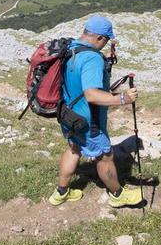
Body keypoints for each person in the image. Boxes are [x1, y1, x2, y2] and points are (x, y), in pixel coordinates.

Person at [47, 15, 144, 208]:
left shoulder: (71, 48)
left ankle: (61, 193)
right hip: (88, 120)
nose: (105, 44)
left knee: (74, 148)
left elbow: (79, 74)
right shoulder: (92, 58)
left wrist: (103, 60)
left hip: (68, 114)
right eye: (106, 40)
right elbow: (91, 94)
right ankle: (118, 195)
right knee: (105, 155)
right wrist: (122, 99)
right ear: (100, 38)